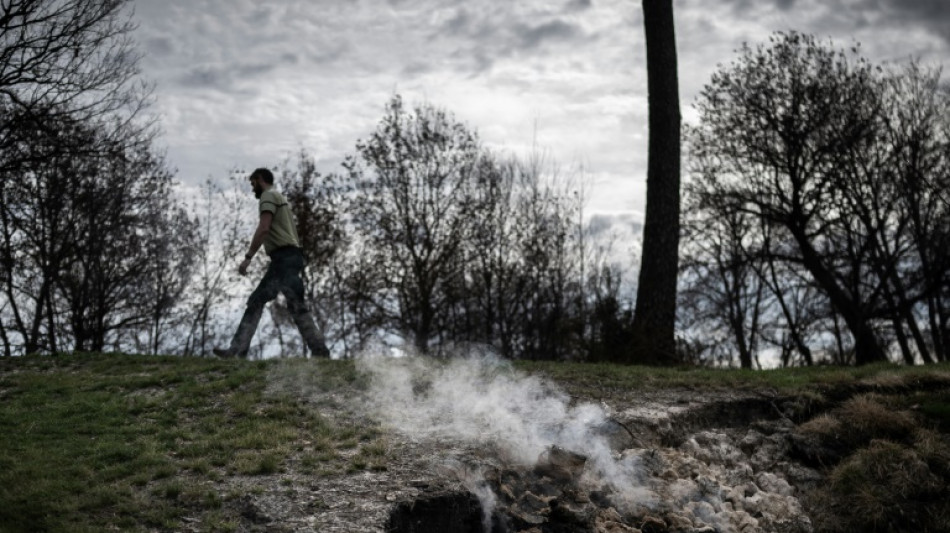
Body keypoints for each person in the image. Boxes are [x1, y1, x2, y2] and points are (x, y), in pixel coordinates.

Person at [213, 168, 330, 359]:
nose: (253, 189)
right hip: (292, 257)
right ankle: (320, 352)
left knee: (256, 301)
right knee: (296, 305)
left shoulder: (267, 196)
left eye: (253, 184)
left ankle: (236, 351)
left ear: (260, 180)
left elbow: (264, 228)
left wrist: (248, 257)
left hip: (283, 258)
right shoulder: (279, 197)